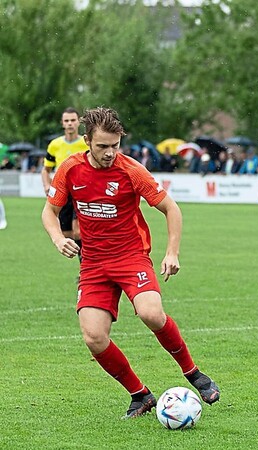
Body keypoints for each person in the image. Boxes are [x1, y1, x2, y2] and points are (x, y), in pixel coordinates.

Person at [41, 107, 220, 419]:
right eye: (102, 146)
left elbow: (171, 208)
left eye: (115, 145)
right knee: (94, 337)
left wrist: (171, 252)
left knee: (151, 313)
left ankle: (194, 374)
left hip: (130, 256)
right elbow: (49, 211)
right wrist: (58, 238)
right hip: (93, 264)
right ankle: (140, 395)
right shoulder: (70, 169)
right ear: (87, 141)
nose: (110, 153)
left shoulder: (131, 170)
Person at [42, 107, 89, 258]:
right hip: (63, 192)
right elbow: (46, 170)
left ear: (78, 122)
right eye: (67, 121)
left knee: (78, 229)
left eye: (73, 120)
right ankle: (84, 263)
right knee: (68, 234)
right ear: (62, 123)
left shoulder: (86, 142)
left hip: (82, 191)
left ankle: (86, 267)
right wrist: (47, 185)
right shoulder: (55, 145)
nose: (70, 124)